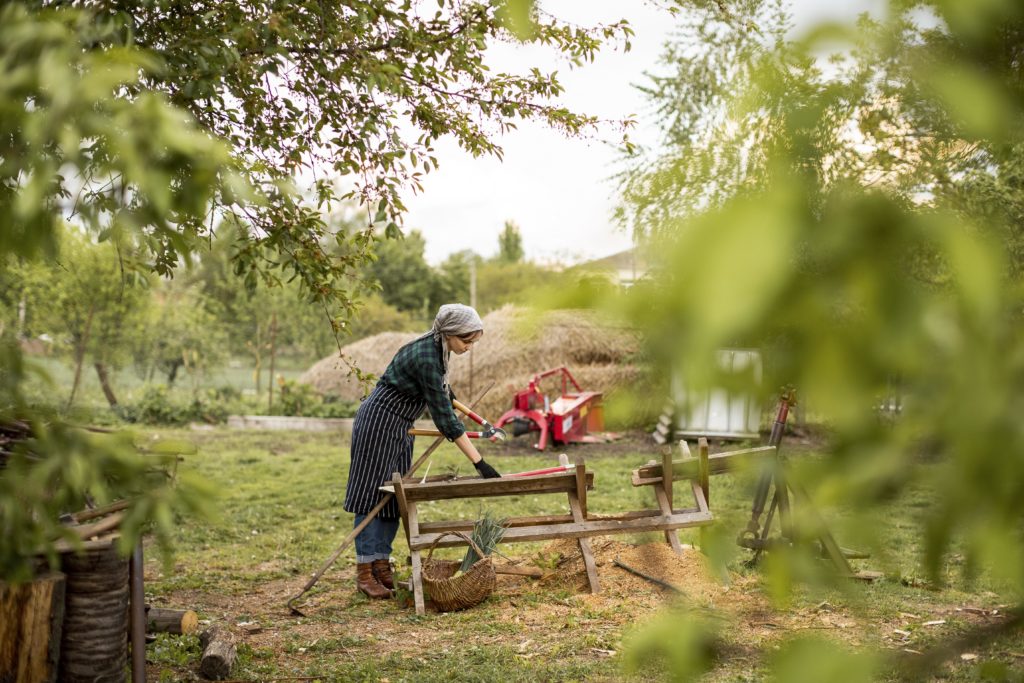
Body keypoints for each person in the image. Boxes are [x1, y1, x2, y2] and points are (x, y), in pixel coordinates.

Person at [343, 303, 501, 599]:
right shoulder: (426, 355)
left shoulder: (439, 350)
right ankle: (365, 571)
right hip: (378, 423)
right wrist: (480, 463)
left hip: (401, 426)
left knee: (394, 495)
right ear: (450, 333)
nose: (469, 347)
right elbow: (445, 420)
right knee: (371, 496)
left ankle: (381, 564)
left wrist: (456, 401)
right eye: (466, 340)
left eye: (473, 341)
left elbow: (443, 392)